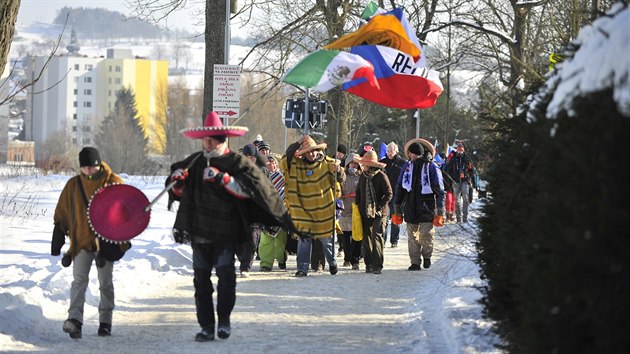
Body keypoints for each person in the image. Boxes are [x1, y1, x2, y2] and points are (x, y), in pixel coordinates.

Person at [168, 112, 301, 341]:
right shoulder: (195, 161)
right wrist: (177, 180)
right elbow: (181, 192)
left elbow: (251, 191)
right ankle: (207, 326)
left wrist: (224, 179)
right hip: (200, 230)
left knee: (226, 279)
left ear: (220, 140)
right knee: (201, 281)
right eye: (204, 140)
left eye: (210, 140)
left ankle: (224, 322)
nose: (206, 144)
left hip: (226, 232)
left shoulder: (236, 162)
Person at [52, 147, 125, 339]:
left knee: (105, 282)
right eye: (84, 168)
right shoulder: (73, 185)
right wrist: (58, 232)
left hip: (106, 242)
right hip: (81, 241)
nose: (88, 171)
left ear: (99, 164)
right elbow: (63, 211)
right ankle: (74, 320)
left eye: (91, 167)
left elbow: (126, 210)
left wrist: (122, 235)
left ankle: (105, 321)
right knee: (79, 281)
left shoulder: (113, 182)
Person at [280, 135, 346, 277]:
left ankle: (332, 262)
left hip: (323, 209)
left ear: (318, 150)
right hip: (303, 210)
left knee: (326, 240)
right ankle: (302, 268)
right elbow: (285, 159)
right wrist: (298, 142)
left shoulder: (327, 162)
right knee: (304, 240)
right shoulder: (298, 165)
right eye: (307, 151)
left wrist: (338, 170)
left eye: (313, 150)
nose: (310, 154)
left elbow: (341, 179)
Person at [392, 139, 445, 271]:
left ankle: (427, 256)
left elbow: (439, 189)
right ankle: (415, 262)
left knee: (426, 234)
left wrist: (440, 208)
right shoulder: (407, 167)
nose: (409, 155)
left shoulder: (431, 167)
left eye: (411, 153)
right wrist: (397, 205)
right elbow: (400, 187)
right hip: (410, 205)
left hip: (427, 206)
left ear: (417, 153)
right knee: (412, 236)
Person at [354, 150, 393, 274]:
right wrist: (358, 207)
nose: (363, 166)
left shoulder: (381, 176)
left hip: (380, 213)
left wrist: (379, 207)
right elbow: (358, 192)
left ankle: (377, 265)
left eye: (365, 164)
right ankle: (368, 264)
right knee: (366, 238)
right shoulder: (363, 176)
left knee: (376, 236)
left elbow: (389, 194)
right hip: (365, 212)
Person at [258, 154, 288, 271]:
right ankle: (266, 263)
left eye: (274, 162)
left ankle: (281, 260)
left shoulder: (283, 178)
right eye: (269, 162)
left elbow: (287, 193)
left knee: (280, 241)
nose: (272, 164)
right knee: (265, 240)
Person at [379, 142, 407, 247]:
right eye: (388, 151)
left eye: (391, 151)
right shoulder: (382, 163)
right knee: (384, 219)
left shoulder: (402, 163)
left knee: (396, 219)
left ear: (396, 151)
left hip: (397, 195)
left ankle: (394, 240)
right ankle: (383, 240)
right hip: (385, 195)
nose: (390, 153)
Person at [339, 153, 362, 270]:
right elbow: (339, 190)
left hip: (357, 210)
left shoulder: (362, 176)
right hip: (345, 209)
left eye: (356, 164)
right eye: (352, 163)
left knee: (356, 236)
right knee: (346, 237)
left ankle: (355, 260)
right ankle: (347, 258)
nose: (354, 165)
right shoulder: (343, 176)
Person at [443, 142, 474, 222]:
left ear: (463, 150)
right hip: (455, 181)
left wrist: (469, 177)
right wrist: (449, 182)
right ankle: (458, 218)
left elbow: (472, 170)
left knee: (465, 199)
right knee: (457, 200)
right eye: (459, 150)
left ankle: (465, 218)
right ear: (457, 150)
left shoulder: (467, 158)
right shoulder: (453, 159)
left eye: (461, 150)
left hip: (465, 181)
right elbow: (448, 171)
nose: (460, 151)